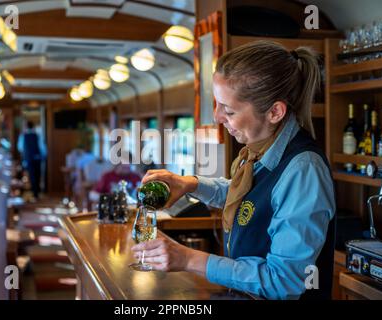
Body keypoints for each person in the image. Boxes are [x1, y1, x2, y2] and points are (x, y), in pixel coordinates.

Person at [132, 41, 336, 300]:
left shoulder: (304, 170)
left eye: (228, 110)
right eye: (217, 105)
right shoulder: (257, 152)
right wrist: (190, 184)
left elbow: (283, 281)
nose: (217, 117)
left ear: (275, 111)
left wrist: (188, 259)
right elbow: (251, 198)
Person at [17, 121, 46, 199]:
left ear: (26, 127)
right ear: (33, 127)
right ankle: (36, 192)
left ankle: (35, 192)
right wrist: (43, 156)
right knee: (37, 175)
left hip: (28, 158)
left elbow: (20, 148)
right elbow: (42, 148)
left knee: (32, 175)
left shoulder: (23, 136)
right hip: (37, 158)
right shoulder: (37, 135)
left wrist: (25, 157)